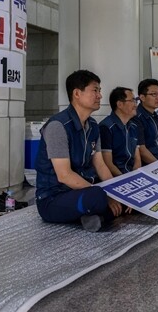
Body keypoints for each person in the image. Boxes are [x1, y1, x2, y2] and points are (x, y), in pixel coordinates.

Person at [34, 70, 126, 232]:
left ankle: (93, 216)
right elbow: (64, 175)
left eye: (99, 91)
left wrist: (115, 193)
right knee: (97, 197)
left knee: (124, 195)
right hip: (54, 198)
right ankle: (97, 213)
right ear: (77, 93)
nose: (100, 96)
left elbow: (101, 166)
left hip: (81, 190)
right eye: (95, 90)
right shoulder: (58, 126)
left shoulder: (93, 126)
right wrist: (106, 196)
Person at [99, 87, 142, 176]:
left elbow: (137, 159)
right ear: (120, 104)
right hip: (116, 178)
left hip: (132, 175)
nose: (135, 105)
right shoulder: (106, 127)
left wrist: (135, 175)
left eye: (135, 101)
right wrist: (124, 178)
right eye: (132, 101)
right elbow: (107, 163)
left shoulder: (133, 126)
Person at [135, 78, 158, 165]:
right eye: (154, 94)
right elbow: (142, 150)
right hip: (149, 165)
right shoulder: (137, 118)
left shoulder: (157, 117)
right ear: (142, 97)